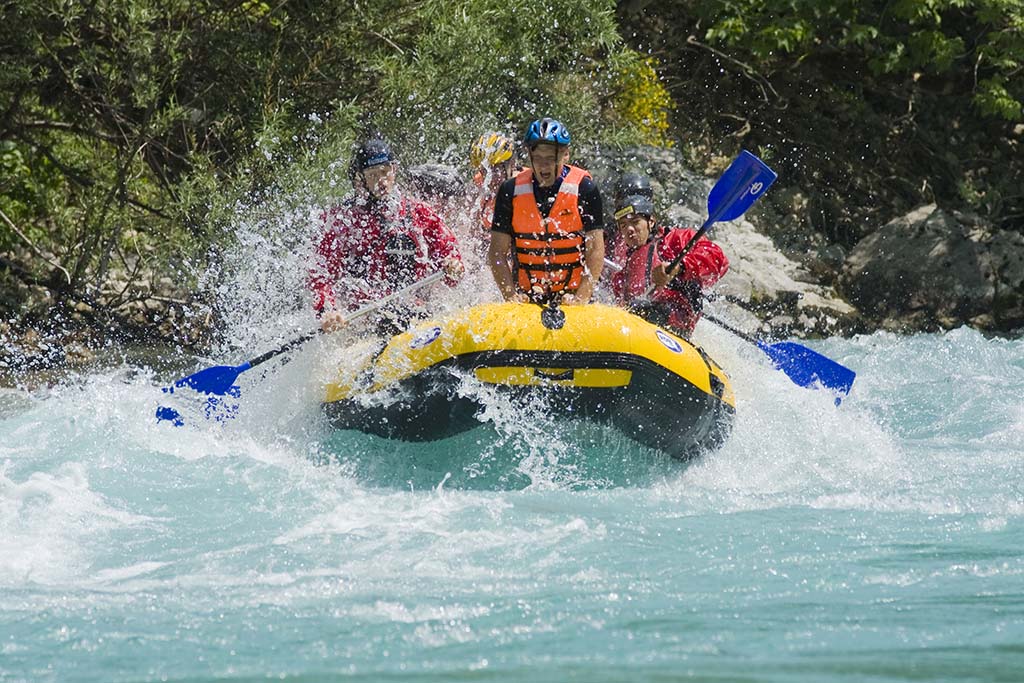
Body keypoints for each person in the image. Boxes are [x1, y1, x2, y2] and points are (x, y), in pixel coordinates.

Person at [309, 137, 464, 334]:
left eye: (385, 172)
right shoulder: (342, 221)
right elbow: (320, 274)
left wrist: (453, 265)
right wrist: (328, 311)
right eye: (373, 175)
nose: (381, 181)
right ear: (360, 180)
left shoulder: (417, 212)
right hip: (366, 321)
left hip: (416, 312)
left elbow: (449, 252)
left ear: (394, 170)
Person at [487, 118, 605, 305]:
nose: (544, 166)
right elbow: (496, 253)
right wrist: (510, 297)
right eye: (538, 158)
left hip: (572, 295)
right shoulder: (509, 191)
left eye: (551, 158)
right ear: (529, 155)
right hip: (526, 296)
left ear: (565, 155)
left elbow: (596, 250)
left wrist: (580, 299)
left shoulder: (585, 188)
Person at [610, 179, 729, 338]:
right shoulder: (623, 275)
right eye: (623, 225)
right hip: (638, 332)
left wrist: (680, 267)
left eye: (635, 222)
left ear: (651, 222)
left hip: (673, 327)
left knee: (652, 311)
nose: (629, 229)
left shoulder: (675, 240)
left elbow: (717, 258)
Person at [469, 132, 518, 233]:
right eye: (485, 170)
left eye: (496, 170)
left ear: (512, 165)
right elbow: (473, 234)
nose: (490, 178)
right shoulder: (478, 188)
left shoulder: (526, 187)